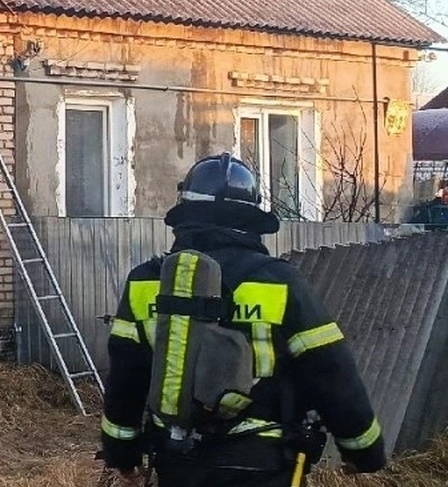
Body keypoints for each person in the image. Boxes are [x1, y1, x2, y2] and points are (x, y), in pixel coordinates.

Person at [100, 153, 387, 486]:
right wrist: (364, 450)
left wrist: (121, 453)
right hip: (263, 464)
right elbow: (331, 371)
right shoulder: (279, 283)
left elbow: (126, 379)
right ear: (251, 218)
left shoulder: (145, 283)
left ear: (185, 214)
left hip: (178, 463)